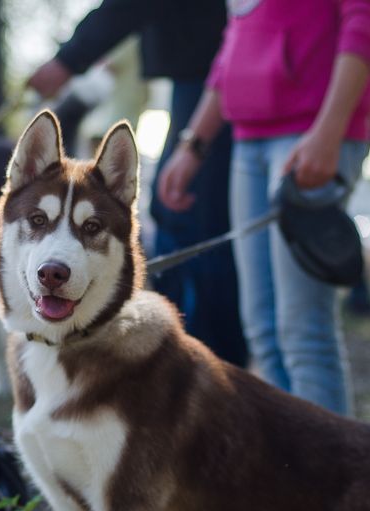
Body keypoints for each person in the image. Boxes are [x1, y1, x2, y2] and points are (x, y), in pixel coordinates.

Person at [158, 0, 370, 416]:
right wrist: (193, 145)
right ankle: (292, 454)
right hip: (249, 138)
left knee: (303, 330)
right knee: (262, 328)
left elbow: (364, 18)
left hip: (310, 133)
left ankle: (329, 458)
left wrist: (329, 130)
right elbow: (234, 43)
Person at [28, 0, 248, 367]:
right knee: (182, 219)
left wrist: (68, 60)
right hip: (200, 69)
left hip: (212, 70)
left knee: (192, 222)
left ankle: (213, 366)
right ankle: (195, 356)